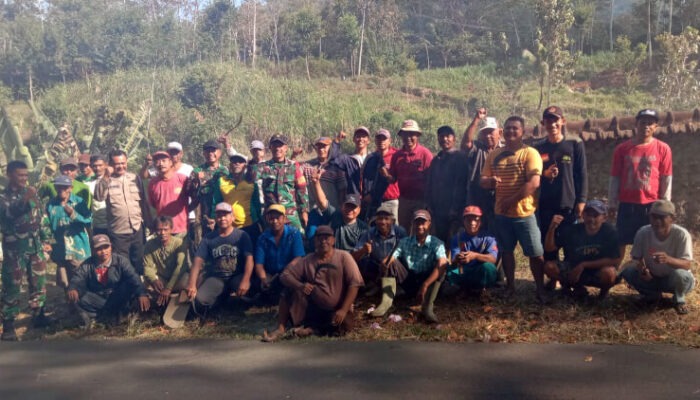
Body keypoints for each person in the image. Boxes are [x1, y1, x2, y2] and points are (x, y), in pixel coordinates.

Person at [480, 116, 546, 302]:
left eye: (515, 129)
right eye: (507, 128)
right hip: (502, 214)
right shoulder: (494, 155)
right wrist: (490, 181)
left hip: (525, 213)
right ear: (502, 131)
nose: (510, 132)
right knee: (506, 251)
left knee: (535, 253)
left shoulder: (530, 153)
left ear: (522, 132)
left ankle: (540, 289)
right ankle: (510, 287)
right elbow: (482, 180)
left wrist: (511, 200)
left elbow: (534, 182)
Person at [270, 225, 363, 340]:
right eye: (319, 238)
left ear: (333, 240)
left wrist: (344, 309)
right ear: (314, 241)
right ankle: (281, 328)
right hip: (314, 307)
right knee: (287, 290)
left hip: (337, 308)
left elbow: (355, 284)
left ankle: (312, 330)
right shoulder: (307, 260)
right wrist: (300, 285)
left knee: (344, 325)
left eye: (327, 238)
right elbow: (285, 276)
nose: (323, 241)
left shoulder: (344, 257)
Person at [0, 161, 53, 340]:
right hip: (15, 250)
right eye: (19, 175)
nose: (24, 178)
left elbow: (41, 217)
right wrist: (25, 199)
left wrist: (46, 239)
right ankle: (8, 325)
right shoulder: (3, 197)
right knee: (12, 286)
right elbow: (7, 214)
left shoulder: (31, 194)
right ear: (9, 175)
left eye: (25, 175)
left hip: (35, 247)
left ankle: (38, 316)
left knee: (38, 282)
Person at [609, 109, 672, 258]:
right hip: (627, 204)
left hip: (651, 204)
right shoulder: (622, 149)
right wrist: (612, 203)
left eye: (650, 123)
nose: (646, 126)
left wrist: (665, 206)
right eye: (643, 122)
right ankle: (615, 274)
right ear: (636, 124)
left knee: (650, 241)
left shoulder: (663, 149)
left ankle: (645, 274)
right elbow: (615, 178)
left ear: (656, 127)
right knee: (621, 241)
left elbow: (666, 178)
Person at [534, 106, 588, 267]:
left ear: (563, 121)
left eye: (555, 120)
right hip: (546, 204)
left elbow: (582, 174)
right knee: (548, 243)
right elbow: (532, 174)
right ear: (543, 123)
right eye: (548, 120)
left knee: (571, 243)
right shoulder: (538, 147)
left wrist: (582, 200)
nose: (552, 124)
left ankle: (571, 278)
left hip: (568, 204)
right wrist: (545, 174)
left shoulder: (574, 144)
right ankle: (554, 276)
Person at [620, 200, 695, 315]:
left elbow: (687, 264)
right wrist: (643, 270)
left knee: (681, 275)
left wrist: (668, 260)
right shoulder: (643, 232)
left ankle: (678, 299)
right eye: (653, 217)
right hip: (652, 277)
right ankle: (652, 295)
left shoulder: (681, 235)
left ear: (672, 219)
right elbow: (636, 258)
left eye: (662, 217)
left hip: (673, 279)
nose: (657, 221)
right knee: (628, 271)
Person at [543, 200, 620, 300]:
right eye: (588, 214)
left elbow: (615, 260)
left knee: (609, 273)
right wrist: (552, 228)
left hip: (597, 270)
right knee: (549, 267)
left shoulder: (610, 232)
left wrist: (583, 265)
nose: (591, 219)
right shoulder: (572, 230)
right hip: (573, 269)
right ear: (583, 215)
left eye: (596, 215)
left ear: (604, 218)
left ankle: (603, 295)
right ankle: (575, 288)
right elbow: (549, 248)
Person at [67, 234, 150, 328]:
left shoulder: (121, 261)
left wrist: (142, 293)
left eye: (106, 247)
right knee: (79, 298)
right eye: (99, 249)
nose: (103, 252)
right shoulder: (87, 264)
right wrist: (73, 288)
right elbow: (78, 278)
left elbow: (133, 277)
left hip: (118, 297)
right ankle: (98, 317)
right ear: (93, 250)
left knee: (128, 285)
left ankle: (120, 314)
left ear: (111, 247)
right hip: (98, 298)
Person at [186, 202, 254, 312]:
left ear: (232, 217)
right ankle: (221, 299)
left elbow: (249, 259)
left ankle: (234, 299)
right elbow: (197, 262)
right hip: (217, 277)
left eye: (225, 215)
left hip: (236, 276)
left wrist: (246, 280)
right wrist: (192, 284)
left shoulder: (242, 235)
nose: (222, 218)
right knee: (200, 301)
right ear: (216, 218)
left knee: (249, 294)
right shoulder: (209, 238)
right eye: (219, 215)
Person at [94, 149, 151, 275]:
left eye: (123, 163)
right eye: (117, 164)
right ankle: (125, 293)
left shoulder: (135, 178)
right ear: (110, 164)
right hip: (118, 232)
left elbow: (143, 202)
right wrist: (106, 176)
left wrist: (148, 222)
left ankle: (140, 292)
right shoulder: (105, 180)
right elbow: (98, 197)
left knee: (140, 262)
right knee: (123, 265)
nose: (121, 166)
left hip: (137, 228)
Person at [388, 209, 448, 323]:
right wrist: (386, 262)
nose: (420, 226)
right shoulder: (404, 241)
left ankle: (427, 306)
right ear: (412, 224)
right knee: (391, 263)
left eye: (423, 223)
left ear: (429, 224)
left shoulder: (437, 243)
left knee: (442, 266)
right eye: (417, 223)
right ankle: (386, 301)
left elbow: (442, 262)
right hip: (410, 279)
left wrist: (425, 284)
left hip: (428, 282)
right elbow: (393, 256)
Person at [352, 204, 408, 317]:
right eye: (380, 218)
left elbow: (405, 252)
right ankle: (379, 286)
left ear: (392, 221)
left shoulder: (400, 232)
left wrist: (389, 259)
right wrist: (363, 250)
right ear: (375, 220)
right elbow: (354, 255)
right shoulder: (369, 233)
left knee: (392, 263)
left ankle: (386, 301)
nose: (383, 222)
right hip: (378, 268)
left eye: (386, 218)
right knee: (363, 261)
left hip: (397, 268)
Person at [251, 134, 309, 231]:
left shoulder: (295, 166)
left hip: (290, 214)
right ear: (270, 148)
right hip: (271, 215)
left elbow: (302, 190)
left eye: (280, 146)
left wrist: (304, 211)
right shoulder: (262, 167)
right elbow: (249, 181)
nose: (277, 149)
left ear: (286, 148)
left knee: (298, 238)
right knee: (271, 242)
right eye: (274, 146)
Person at [46, 175, 92, 291]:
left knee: (81, 278)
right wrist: (47, 242)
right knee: (65, 282)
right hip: (60, 248)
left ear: (70, 188)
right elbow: (46, 225)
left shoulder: (79, 202)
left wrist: (73, 214)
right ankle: (70, 306)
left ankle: (84, 306)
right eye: (58, 187)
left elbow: (88, 220)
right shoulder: (51, 205)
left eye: (64, 187)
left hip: (78, 248)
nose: (61, 190)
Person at [253, 204, 305, 306]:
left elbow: (298, 258)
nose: (275, 221)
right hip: (272, 274)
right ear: (267, 219)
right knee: (260, 285)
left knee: (290, 283)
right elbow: (259, 264)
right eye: (271, 218)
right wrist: (264, 279)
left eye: (278, 218)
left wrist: (286, 271)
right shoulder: (262, 238)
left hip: (289, 272)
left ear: (284, 218)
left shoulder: (294, 233)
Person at [425, 125, 469, 244]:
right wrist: (429, 204)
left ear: (454, 139)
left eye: (448, 136)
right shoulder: (436, 160)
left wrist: (455, 208)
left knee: (455, 240)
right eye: (441, 136)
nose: (444, 139)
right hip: (438, 209)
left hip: (454, 210)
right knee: (440, 241)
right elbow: (430, 183)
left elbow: (461, 184)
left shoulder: (460, 157)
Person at [386, 120, 433, 230]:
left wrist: (429, 203)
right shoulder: (397, 156)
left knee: (420, 230)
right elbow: (393, 179)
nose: (408, 137)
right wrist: (386, 175)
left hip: (421, 201)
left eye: (412, 134)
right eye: (405, 134)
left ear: (417, 136)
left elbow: (432, 179)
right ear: (401, 136)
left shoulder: (425, 154)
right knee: (403, 230)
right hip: (404, 200)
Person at [308, 167, 368, 252]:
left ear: (359, 210)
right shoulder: (335, 215)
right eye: (347, 206)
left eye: (353, 207)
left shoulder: (363, 228)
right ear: (342, 206)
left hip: (353, 260)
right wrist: (316, 183)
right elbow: (322, 202)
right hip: (333, 257)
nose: (350, 210)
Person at [462, 109, 501, 235]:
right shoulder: (477, 148)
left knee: (497, 234)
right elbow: (466, 142)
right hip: (477, 198)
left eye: (491, 132)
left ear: (499, 132)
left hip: (499, 200)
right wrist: (477, 119)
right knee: (475, 232)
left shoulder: (505, 150)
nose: (488, 136)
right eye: (485, 133)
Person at [210, 153, 263, 244]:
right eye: (234, 161)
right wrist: (212, 219)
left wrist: (261, 223)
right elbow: (216, 202)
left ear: (245, 166)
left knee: (250, 255)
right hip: (228, 227)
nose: (237, 163)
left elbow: (257, 204)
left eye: (240, 161)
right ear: (230, 165)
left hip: (250, 226)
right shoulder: (221, 181)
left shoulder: (251, 182)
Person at [446, 206, 499, 298]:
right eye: (468, 220)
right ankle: (464, 288)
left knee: (488, 267)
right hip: (464, 270)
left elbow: (493, 259)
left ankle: (484, 289)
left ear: (480, 222)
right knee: (450, 270)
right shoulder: (457, 238)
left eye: (476, 220)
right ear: (464, 222)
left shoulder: (489, 237)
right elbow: (454, 259)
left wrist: (474, 256)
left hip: (480, 270)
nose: (472, 223)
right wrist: (459, 258)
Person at [188, 140, 229, 246]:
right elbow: (189, 192)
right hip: (203, 214)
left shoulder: (225, 171)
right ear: (204, 154)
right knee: (203, 242)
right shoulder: (197, 171)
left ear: (219, 153)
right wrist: (196, 181)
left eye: (213, 150)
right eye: (207, 151)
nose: (210, 153)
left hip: (221, 212)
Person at [143, 216, 190, 309]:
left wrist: (169, 288)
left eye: (165, 229)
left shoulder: (179, 243)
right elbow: (147, 267)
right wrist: (154, 279)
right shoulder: (149, 245)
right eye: (159, 230)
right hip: (162, 279)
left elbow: (180, 267)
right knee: (144, 280)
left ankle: (175, 297)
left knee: (187, 279)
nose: (162, 233)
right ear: (155, 231)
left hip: (178, 279)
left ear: (171, 230)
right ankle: (160, 301)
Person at [148, 151, 190, 237]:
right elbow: (153, 205)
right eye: (157, 161)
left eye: (164, 160)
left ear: (170, 162)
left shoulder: (182, 179)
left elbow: (194, 197)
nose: (160, 164)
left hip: (181, 229)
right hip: (163, 230)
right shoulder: (153, 183)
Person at [361, 128, 400, 221]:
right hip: (374, 201)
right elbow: (363, 177)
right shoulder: (371, 157)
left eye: (384, 139)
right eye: (379, 138)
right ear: (375, 141)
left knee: (394, 230)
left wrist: (386, 175)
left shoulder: (396, 155)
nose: (381, 141)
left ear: (390, 141)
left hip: (391, 201)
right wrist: (365, 195)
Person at [303, 136, 347, 211]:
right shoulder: (308, 165)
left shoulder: (336, 167)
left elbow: (342, 190)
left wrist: (341, 209)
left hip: (331, 208)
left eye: (324, 147)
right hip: (313, 209)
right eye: (319, 147)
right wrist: (293, 156)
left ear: (330, 148)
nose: (321, 149)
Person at [89, 154, 110, 236]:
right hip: (97, 225)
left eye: (100, 165)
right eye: (94, 166)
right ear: (91, 166)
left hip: (113, 225)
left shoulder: (112, 180)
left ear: (106, 165)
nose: (97, 168)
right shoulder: (88, 184)